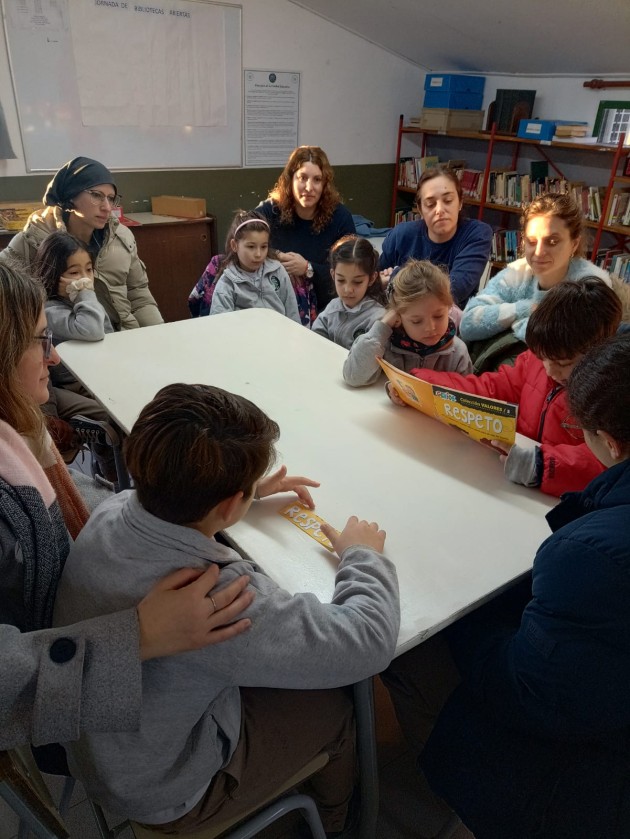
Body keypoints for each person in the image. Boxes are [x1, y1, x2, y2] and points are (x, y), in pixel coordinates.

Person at [54, 382, 400, 834]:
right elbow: (368, 642)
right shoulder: (215, 596)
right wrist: (363, 556)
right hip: (160, 788)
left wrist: (238, 494)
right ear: (230, 503)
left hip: (96, 746)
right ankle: (340, 824)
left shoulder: (113, 506)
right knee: (336, 709)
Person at [0, 263, 253, 751]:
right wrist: (138, 635)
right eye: (38, 341)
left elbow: (90, 508)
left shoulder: (20, 439)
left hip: (87, 658)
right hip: (74, 713)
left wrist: (218, 486)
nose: (52, 359)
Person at [387, 333, 630, 839]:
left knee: (406, 648)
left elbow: (526, 692)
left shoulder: (588, 556)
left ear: (608, 442)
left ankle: (434, 808)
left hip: (586, 783)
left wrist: (463, 611)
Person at [389, 278, 621, 497]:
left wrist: (540, 465)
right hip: (511, 485)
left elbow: (611, 462)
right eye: (544, 358)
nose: (550, 370)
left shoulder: (611, 397)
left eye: (563, 364)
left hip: (561, 502)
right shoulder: (537, 360)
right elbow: (488, 388)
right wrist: (419, 383)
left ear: (599, 354)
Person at [0, 156, 163, 331]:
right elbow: (7, 293)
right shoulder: (34, 239)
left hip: (122, 335)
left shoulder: (121, 237)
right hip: (67, 341)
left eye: (111, 198)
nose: (107, 207)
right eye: (96, 196)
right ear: (71, 195)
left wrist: (158, 333)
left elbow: (139, 294)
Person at [459, 193, 611, 369]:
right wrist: (526, 309)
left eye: (552, 242)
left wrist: (508, 321)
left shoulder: (590, 284)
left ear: (574, 244)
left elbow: (562, 344)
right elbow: (468, 323)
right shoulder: (518, 272)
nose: (538, 252)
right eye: (531, 241)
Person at [256, 145, 356, 314]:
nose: (309, 188)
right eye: (302, 178)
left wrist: (308, 269)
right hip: (272, 303)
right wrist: (276, 256)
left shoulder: (340, 217)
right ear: (291, 179)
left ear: (325, 184)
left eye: (317, 179)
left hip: (323, 308)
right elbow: (239, 239)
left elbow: (352, 271)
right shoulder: (271, 210)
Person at [343, 259, 472, 388]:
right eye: (416, 321)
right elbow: (353, 377)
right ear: (398, 317)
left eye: (439, 316)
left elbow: (466, 398)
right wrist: (383, 326)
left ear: (449, 308)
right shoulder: (383, 343)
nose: (430, 328)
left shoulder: (458, 353)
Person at [379, 167, 493, 308]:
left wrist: (395, 276)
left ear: (460, 202)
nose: (439, 210)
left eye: (448, 200)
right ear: (420, 209)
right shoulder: (401, 235)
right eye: (430, 204)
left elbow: (453, 291)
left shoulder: (477, 234)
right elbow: (374, 282)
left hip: (450, 323)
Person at [209, 210, 301, 323]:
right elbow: (220, 326)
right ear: (234, 245)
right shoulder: (227, 283)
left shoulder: (278, 271)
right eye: (251, 247)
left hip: (279, 338)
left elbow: (292, 314)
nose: (258, 254)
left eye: (263, 247)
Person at [312, 234, 386, 348]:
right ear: (333, 275)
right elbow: (314, 339)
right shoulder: (332, 307)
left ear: (371, 278)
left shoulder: (378, 318)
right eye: (341, 280)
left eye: (357, 282)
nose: (348, 289)